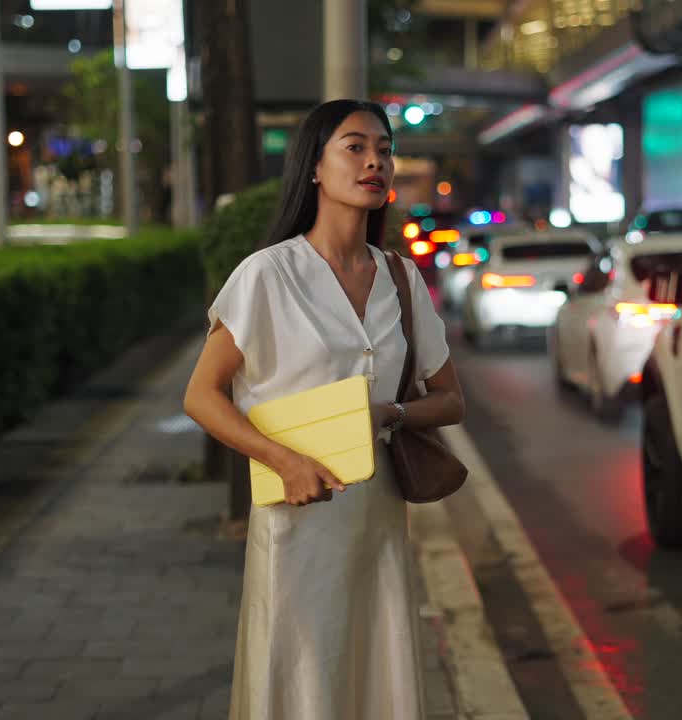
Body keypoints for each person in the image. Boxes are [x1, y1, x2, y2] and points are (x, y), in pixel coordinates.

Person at [182, 99, 465, 719]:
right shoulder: (268, 275)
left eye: (384, 150)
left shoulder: (400, 277)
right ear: (314, 165)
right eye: (356, 146)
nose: (375, 162)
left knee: (374, 671)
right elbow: (200, 396)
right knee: (301, 671)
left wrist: (389, 414)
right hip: (297, 515)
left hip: (377, 516)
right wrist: (282, 460)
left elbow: (450, 400)